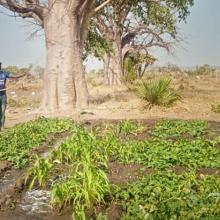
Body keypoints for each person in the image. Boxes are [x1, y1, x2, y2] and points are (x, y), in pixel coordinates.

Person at [0, 62, 27, 130]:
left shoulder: (4, 73)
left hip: (3, 95)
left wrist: (23, 74)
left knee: (3, 111)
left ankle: (2, 127)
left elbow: (14, 76)